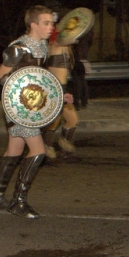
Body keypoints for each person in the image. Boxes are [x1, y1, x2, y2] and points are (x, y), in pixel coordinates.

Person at [0, 5, 55, 219]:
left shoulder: (42, 47)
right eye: (46, 23)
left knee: (14, 151)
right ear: (33, 25)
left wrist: (60, 93)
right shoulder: (19, 48)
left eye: (52, 23)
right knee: (39, 151)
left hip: (32, 107)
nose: (51, 27)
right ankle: (18, 201)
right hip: (19, 108)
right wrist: (22, 92)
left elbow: (41, 80)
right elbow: (0, 77)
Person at [42, 16, 78, 162]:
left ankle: (64, 147)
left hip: (63, 88)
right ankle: (45, 149)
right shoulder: (55, 44)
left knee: (72, 120)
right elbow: (71, 38)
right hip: (54, 88)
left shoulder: (65, 47)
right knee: (54, 122)